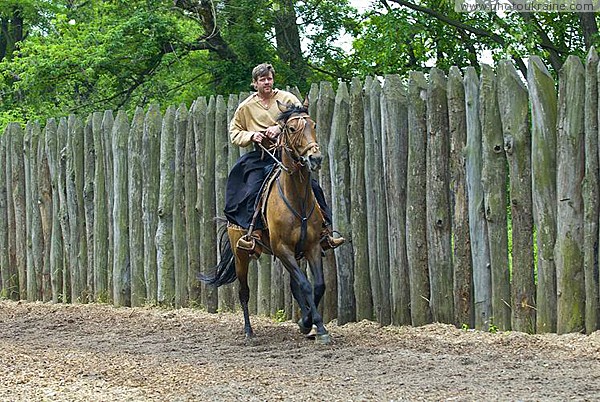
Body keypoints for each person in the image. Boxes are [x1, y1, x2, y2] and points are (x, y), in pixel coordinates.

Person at [224, 63, 344, 254]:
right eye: (262, 80)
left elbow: (301, 120)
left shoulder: (287, 99)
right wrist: (252, 136)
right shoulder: (245, 107)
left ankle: (324, 231)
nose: (267, 82)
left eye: (269, 78)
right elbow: (234, 132)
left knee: (313, 187)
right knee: (252, 188)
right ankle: (252, 233)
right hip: (263, 155)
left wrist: (279, 128)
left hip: (288, 154)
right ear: (255, 83)